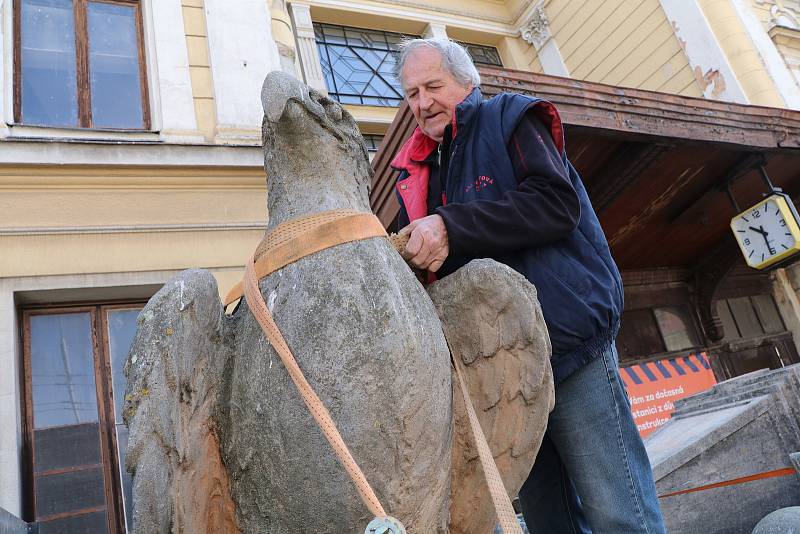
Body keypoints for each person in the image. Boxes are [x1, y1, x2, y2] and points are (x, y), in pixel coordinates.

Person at [392, 38, 666, 534]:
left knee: (619, 514)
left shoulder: (509, 117)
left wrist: (452, 226)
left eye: (433, 86)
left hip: (568, 343)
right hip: (503, 373)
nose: (423, 102)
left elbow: (556, 205)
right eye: (411, 93)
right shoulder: (420, 169)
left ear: (465, 80)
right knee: (548, 521)